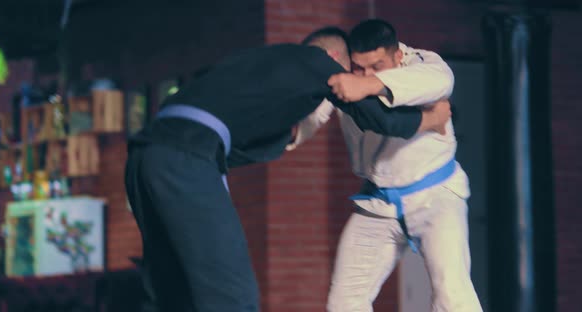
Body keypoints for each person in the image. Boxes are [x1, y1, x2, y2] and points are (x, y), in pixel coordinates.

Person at [124, 26, 451, 312]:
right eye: (351, 69)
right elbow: (376, 118)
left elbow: (242, 141)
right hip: (187, 159)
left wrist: (290, 134)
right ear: (335, 55)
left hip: (145, 157)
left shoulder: (261, 63)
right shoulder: (318, 62)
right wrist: (430, 120)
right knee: (232, 296)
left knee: (169, 293)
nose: (352, 79)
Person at [288, 20, 482, 311]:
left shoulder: (424, 64)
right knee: (344, 303)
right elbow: (314, 116)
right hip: (378, 204)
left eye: (377, 66)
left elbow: (440, 81)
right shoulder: (347, 77)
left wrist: (365, 85)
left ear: (398, 56)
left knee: (452, 295)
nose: (366, 74)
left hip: (436, 197)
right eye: (359, 68)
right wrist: (281, 134)